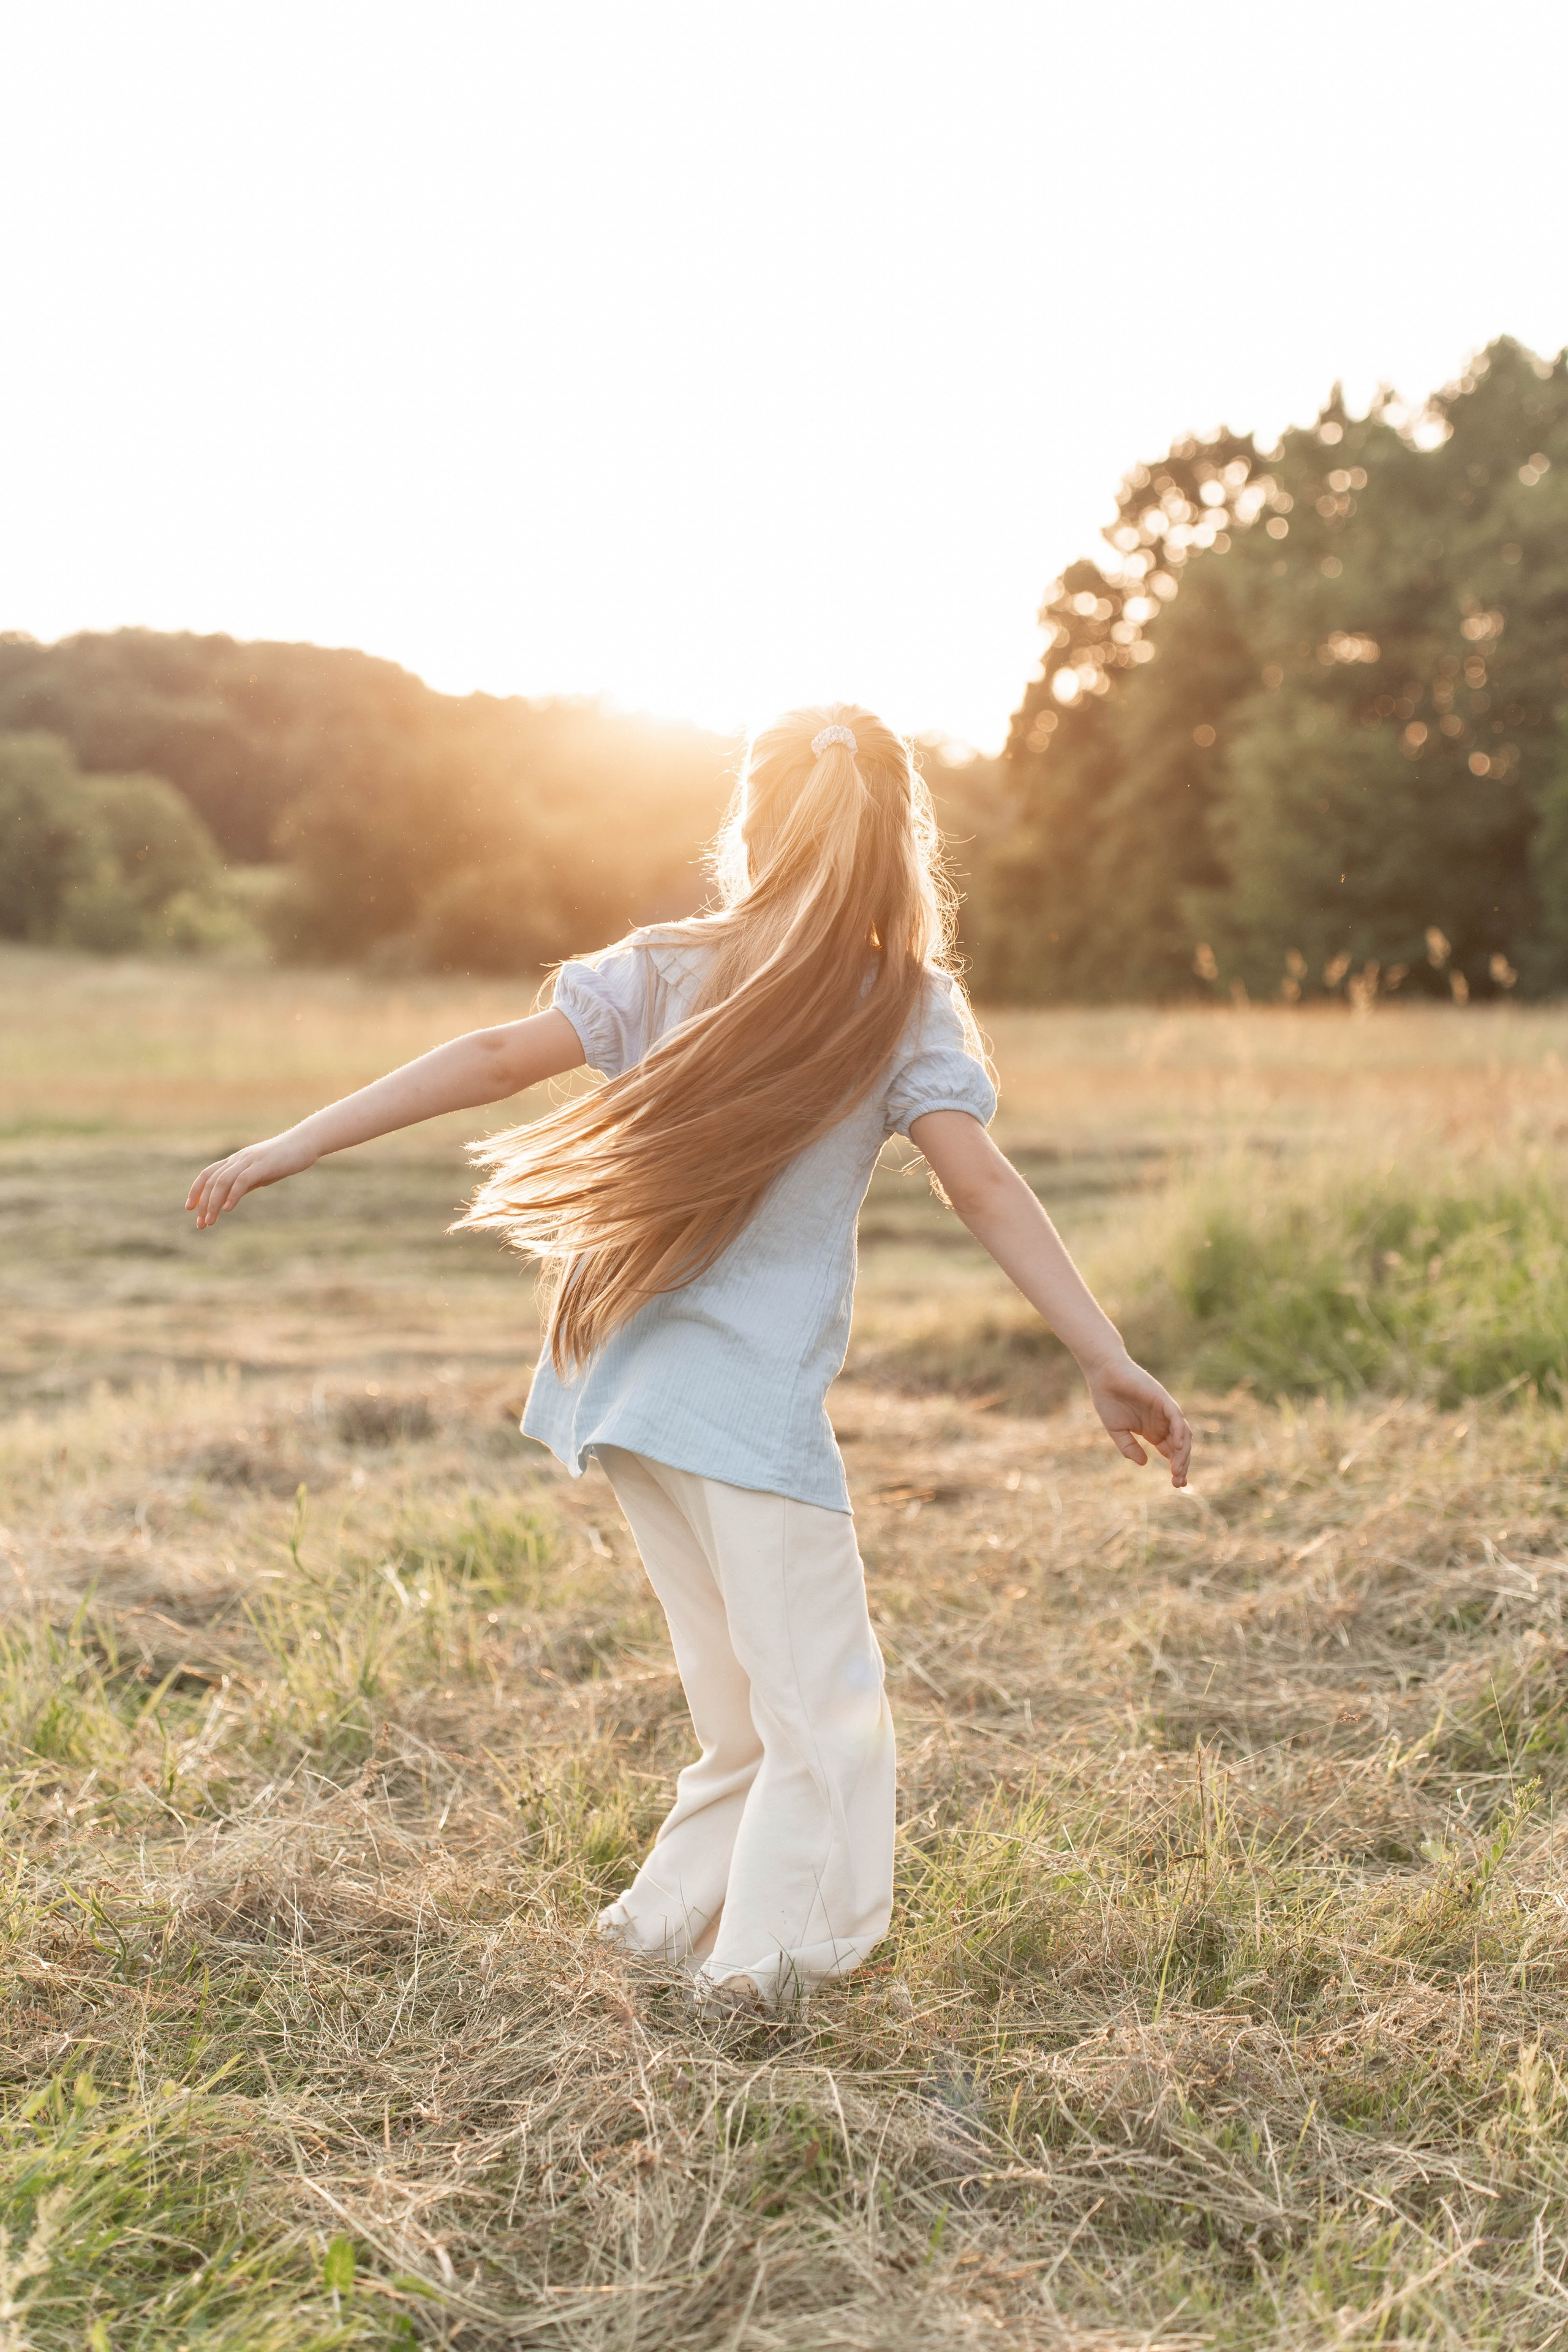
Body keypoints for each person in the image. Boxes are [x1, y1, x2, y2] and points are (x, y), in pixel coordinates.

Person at [186, 704, 1191, 2013]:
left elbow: (490, 1058)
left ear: (752, 823)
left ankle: (657, 1930)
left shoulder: (664, 965)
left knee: (740, 1713)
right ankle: (761, 1979)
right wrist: (1103, 1355)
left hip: (630, 1393)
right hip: (746, 1410)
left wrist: (288, 1145)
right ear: (900, 838)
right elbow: (983, 1186)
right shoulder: (899, 1003)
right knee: (822, 1711)